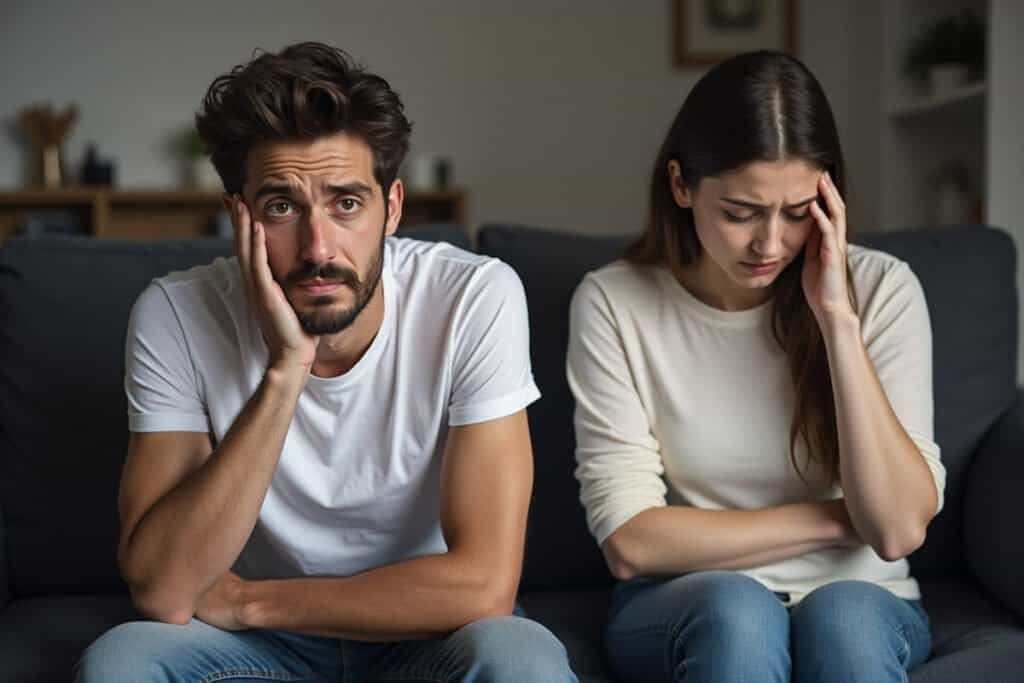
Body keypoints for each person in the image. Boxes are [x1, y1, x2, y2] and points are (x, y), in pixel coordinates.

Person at [76, 42, 576, 683]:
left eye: (346, 203)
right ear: (239, 214)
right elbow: (165, 591)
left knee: (520, 659)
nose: (318, 247)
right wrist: (286, 370)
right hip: (251, 655)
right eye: (281, 206)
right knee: (120, 661)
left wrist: (252, 602)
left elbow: (484, 586)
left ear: (391, 208)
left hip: (422, 628)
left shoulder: (473, 297)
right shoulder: (173, 313)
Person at [567, 51, 945, 683]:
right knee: (736, 609)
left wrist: (837, 322)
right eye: (741, 213)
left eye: (797, 213)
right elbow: (632, 543)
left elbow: (899, 531)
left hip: (867, 601)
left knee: (845, 619)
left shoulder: (883, 290)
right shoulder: (614, 302)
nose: (770, 245)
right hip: (689, 600)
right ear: (682, 185)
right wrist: (843, 518)